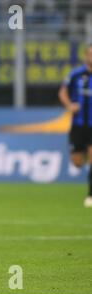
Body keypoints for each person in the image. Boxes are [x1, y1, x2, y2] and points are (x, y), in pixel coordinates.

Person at [59, 44, 92, 207]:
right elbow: (63, 92)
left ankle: (90, 195)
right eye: (90, 54)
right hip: (78, 125)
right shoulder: (76, 74)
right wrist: (69, 105)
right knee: (77, 162)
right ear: (85, 56)